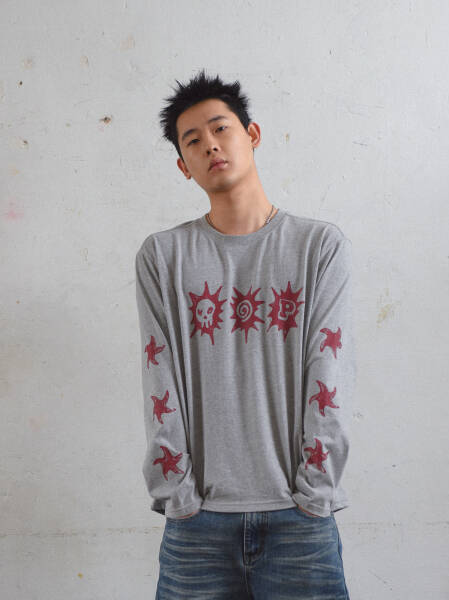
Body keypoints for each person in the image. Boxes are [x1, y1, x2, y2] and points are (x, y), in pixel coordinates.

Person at [135, 69, 356, 599]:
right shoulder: (163, 256)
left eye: (221, 128)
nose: (210, 145)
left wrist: (314, 494)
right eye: (193, 140)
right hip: (197, 527)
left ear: (251, 134)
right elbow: (159, 378)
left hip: (299, 521)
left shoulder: (318, 247)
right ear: (183, 166)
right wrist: (179, 498)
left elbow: (327, 374)